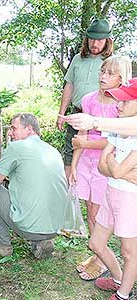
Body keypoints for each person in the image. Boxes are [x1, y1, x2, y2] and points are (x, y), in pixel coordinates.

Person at [68, 56, 132, 280]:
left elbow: (113, 140)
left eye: (110, 73)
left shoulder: (123, 107)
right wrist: (74, 165)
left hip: (105, 164)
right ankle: (98, 255)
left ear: (122, 79)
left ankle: (100, 258)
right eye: (102, 71)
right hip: (86, 162)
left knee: (97, 211)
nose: (103, 77)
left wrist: (84, 143)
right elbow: (80, 136)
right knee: (90, 211)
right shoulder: (89, 99)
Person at [0, 113, 68, 259]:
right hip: (57, 228)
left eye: (13, 128)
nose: (10, 133)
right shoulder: (52, 150)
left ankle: (1, 245)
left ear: (29, 129)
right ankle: (43, 241)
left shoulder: (16, 147)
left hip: (30, 228)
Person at [88, 78, 137, 300]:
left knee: (129, 252)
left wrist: (114, 166)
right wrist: (124, 172)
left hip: (129, 199)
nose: (118, 105)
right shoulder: (117, 129)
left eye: (125, 102)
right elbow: (103, 165)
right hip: (111, 191)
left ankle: (123, 295)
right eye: (118, 101)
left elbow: (114, 167)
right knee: (95, 243)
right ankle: (118, 278)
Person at [57, 19, 113, 178]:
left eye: (100, 40)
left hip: (100, 118)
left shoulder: (110, 63)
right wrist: (61, 114)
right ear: (86, 39)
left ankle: (94, 196)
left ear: (107, 41)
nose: (95, 43)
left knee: (96, 156)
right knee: (70, 152)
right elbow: (69, 86)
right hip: (76, 114)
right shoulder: (77, 59)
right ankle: (69, 195)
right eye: (92, 39)